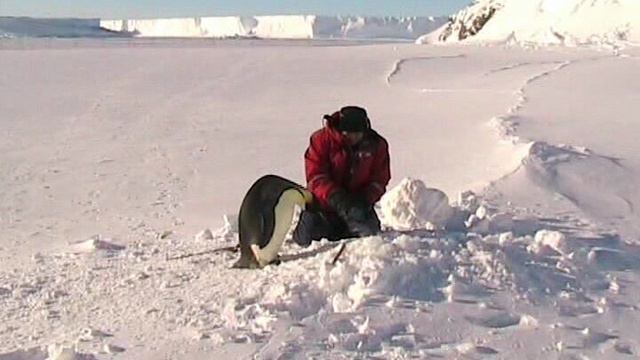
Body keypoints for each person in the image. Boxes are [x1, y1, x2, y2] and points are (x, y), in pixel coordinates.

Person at [292, 106, 391, 247]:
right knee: (304, 239)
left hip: (356, 206)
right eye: (348, 134)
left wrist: (365, 199)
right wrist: (336, 196)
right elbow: (316, 177)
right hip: (325, 206)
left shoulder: (376, 145)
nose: (353, 138)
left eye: (358, 134)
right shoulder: (321, 140)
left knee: (370, 236)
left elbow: (379, 179)